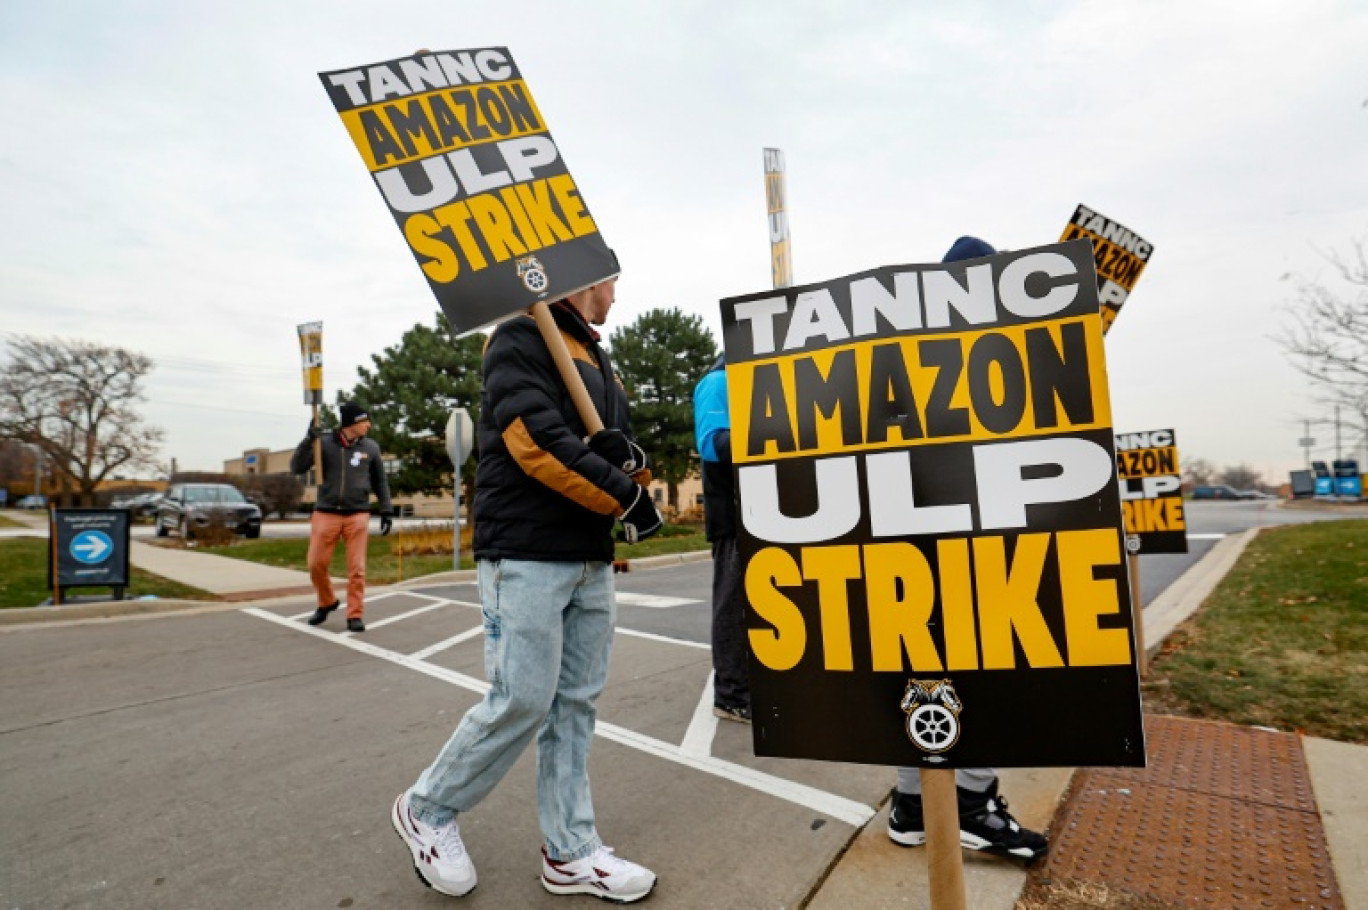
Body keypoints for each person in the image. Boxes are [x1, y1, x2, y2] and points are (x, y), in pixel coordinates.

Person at [390, 272, 664, 902]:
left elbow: (608, 450)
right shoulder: (518, 336)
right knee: (523, 698)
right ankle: (427, 808)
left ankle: (570, 852)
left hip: (589, 557)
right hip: (527, 553)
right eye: (613, 281)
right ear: (585, 278)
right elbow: (534, 440)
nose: (617, 294)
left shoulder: (596, 356)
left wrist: (631, 462)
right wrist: (627, 497)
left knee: (575, 706)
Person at [886, 236, 1047, 863]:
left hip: (926, 547)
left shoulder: (930, 360)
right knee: (971, 672)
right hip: (945, 545)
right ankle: (970, 805)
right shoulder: (952, 363)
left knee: (931, 675)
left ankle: (913, 802)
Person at [289, 401, 393, 633]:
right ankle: (327, 602)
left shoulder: (371, 448)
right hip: (326, 512)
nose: (369, 425)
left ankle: (354, 614)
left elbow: (380, 481)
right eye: (364, 421)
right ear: (351, 423)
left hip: (358, 513)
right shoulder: (323, 443)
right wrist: (308, 440)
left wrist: (386, 509)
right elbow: (297, 467)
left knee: (357, 568)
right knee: (316, 564)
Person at [692, 354, 751, 723]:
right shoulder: (717, 381)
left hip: (765, 514)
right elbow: (712, 444)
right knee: (733, 606)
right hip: (733, 516)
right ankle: (730, 695)